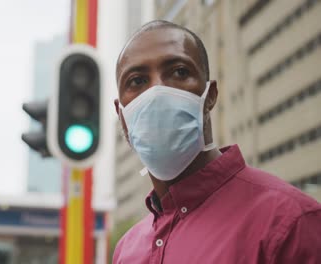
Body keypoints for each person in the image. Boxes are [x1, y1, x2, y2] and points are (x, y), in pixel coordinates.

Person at [112, 20, 321, 264]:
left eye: (179, 72)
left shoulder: (290, 222)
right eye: (137, 81)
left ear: (209, 95)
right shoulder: (127, 250)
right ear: (121, 115)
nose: (157, 92)